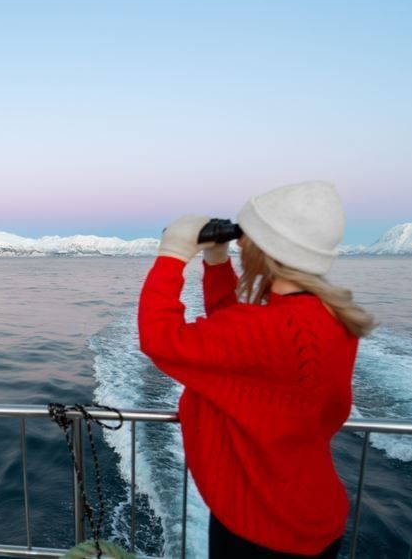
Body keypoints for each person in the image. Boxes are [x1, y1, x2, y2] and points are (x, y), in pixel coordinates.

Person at [138, 180, 375, 558]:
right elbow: (236, 344)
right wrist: (217, 263)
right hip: (310, 511)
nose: (241, 243)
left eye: (247, 236)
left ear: (267, 248)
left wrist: (173, 254)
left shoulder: (268, 329)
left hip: (259, 526)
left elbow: (159, 338)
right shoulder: (329, 318)